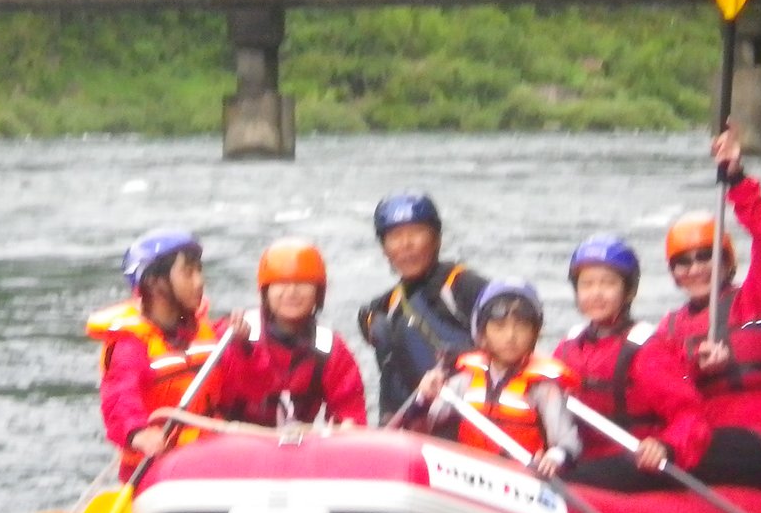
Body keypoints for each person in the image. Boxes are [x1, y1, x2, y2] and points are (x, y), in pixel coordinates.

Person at [647, 121, 761, 495]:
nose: (696, 268)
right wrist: (693, 367)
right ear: (673, 274)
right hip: (706, 444)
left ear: (729, 262)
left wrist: (736, 178)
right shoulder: (668, 331)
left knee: (673, 454)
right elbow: (660, 392)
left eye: (707, 256)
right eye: (683, 262)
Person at [552, 235, 714, 494]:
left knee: (570, 480)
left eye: (607, 284)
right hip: (579, 455)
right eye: (587, 284)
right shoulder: (568, 347)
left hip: (633, 459)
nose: (596, 293)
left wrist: (665, 446)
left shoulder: (646, 350)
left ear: (628, 291)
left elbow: (691, 417)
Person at [85, 228, 228, 477]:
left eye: (199, 270)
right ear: (154, 282)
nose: (199, 281)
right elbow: (120, 397)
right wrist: (139, 433)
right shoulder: (131, 346)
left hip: (210, 458)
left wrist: (245, 346)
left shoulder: (211, 332)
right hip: (156, 471)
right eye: (188, 272)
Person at [405, 278, 581, 476]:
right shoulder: (466, 379)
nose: (510, 336)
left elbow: (568, 441)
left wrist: (555, 457)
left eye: (521, 327)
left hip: (520, 481)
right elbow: (425, 425)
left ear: (534, 333)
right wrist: (424, 397)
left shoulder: (543, 388)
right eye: (499, 327)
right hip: (468, 475)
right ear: (482, 333)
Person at [356, 190, 489, 420]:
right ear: (384, 248)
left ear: (437, 239)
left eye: (416, 233)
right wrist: (372, 324)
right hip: (412, 423)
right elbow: (367, 317)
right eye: (395, 236)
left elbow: (514, 325)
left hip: (467, 417)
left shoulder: (462, 285)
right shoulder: (387, 305)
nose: (406, 244)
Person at [222, 239, 368, 427]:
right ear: (265, 292)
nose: (291, 292)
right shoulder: (234, 333)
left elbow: (350, 413)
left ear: (318, 293)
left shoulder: (331, 349)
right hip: (235, 445)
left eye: (302, 283)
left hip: (297, 447)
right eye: (281, 283)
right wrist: (241, 350)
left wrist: (347, 427)